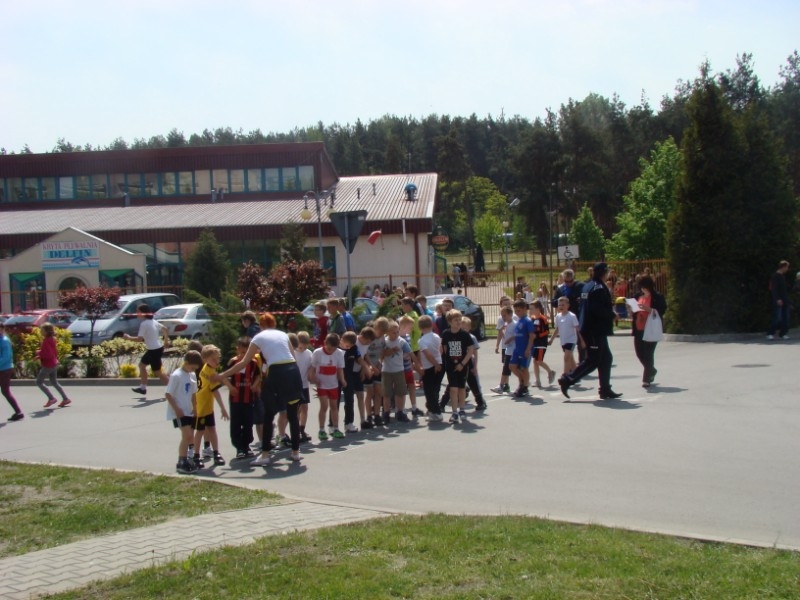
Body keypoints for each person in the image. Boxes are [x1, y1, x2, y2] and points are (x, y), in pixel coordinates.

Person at [218, 312, 304, 465]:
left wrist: (222, 375)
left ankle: (265, 454)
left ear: (261, 325)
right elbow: (293, 356)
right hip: (293, 371)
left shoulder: (258, 337)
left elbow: (244, 362)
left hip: (277, 371)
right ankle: (296, 452)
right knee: (293, 414)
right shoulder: (283, 334)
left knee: (268, 414)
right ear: (274, 324)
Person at [558, 262, 621, 400]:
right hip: (594, 329)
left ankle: (605, 389)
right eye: (607, 272)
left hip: (592, 328)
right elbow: (596, 309)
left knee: (606, 358)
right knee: (593, 360)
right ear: (604, 272)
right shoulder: (598, 288)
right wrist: (612, 314)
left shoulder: (588, 286)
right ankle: (567, 379)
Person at [191, 345, 230, 468]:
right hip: (202, 407)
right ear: (205, 359)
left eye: (218, 358)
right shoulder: (210, 372)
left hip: (208, 407)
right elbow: (215, 392)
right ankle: (196, 455)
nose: (217, 361)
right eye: (213, 359)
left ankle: (216, 453)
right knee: (200, 431)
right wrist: (223, 409)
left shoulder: (208, 368)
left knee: (212, 429)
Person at [165, 349, 203, 474]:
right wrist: (177, 409)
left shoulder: (191, 375)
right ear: (186, 363)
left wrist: (195, 408)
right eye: (192, 367)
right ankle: (181, 461)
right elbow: (168, 394)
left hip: (188, 411)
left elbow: (193, 393)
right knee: (187, 436)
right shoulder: (177, 375)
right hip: (179, 412)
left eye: (195, 368)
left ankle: (186, 459)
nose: (193, 370)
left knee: (189, 436)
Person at [227, 337, 261, 458]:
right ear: (238, 350)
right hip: (235, 399)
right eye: (242, 352)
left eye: (247, 353)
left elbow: (258, 376)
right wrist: (230, 387)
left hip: (248, 398)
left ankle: (246, 445)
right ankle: (239, 447)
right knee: (236, 423)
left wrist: (255, 385)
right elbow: (226, 376)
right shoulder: (233, 362)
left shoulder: (253, 363)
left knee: (248, 423)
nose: (244, 355)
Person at [126, 303, 170, 396]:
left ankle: (173, 388)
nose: (136, 313)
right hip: (155, 349)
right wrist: (166, 341)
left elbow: (139, 339)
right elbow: (165, 329)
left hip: (154, 350)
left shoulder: (144, 324)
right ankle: (143, 388)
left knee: (157, 371)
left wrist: (128, 337)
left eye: (138, 311)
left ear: (143, 313)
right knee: (142, 365)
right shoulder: (153, 321)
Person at [440, 309, 475, 423]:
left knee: (461, 388)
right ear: (450, 322)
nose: (459, 322)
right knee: (453, 388)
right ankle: (454, 412)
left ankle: (462, 410)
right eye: (456, 320)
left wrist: (462, 363)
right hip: (451, 366)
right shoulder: (446, 334)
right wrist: (447, 362)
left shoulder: (465, 334)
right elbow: (444, 349)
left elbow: (470, 350)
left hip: (462, 365)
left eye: (460, 319)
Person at [633, 276, 668, 388]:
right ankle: (651, 370)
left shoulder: (657, 297)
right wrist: (631, 308)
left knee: (648, 353)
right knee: (639, 353)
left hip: (651, 328)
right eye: (641, 287)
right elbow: (634, 311)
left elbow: (662, 310)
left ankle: (646, 379)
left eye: (645, 287)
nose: (643, 289)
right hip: (638, 328)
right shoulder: (637, 296)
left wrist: (648, 309)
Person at [310, 333, 346, 440]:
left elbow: (340, 369)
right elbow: (312, 368)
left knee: (334, 407)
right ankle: (321, 430)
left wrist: (342, 380)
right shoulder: (318, 352)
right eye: (329, 348)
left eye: (333, 349)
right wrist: (313, 379)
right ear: (325, 343)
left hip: (333, 384)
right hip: (322, 385)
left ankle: (336, 428)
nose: (331, 351)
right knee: (324, 406)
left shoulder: (339, 353)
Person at [381, 320, 413, 423]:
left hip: (399, 370)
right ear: (387, 332)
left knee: (401, 392)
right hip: (387, 370)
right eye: (393, 332)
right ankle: (386, 413)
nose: (396, 334)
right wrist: (390, 351)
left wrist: (417, 364)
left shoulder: (401, 341)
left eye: (397, 332)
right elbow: (381, 355)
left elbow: (410, 352)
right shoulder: (384, 342)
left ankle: (400, 411)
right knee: (386, 393)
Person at [36, 322, 72, 408]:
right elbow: (54, 352)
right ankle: (65, 398)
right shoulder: (52, 339)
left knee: (39, 382)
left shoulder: (46, 341)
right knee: (54, 382)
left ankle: (51, 398)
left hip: (48, 365)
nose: (40, 332)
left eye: (42, 330)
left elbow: (48, 354)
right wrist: (40, 355)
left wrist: (39, 353)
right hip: (54, 363)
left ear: (47, 331)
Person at [340, 331, 369, 432]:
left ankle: (348, 423)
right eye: (347, 345)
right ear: (341, 340)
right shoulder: (337, 349)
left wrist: (366, 368)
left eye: (350, 346)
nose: (348, 348)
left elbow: (359, 359)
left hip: (348, 377)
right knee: (335, 402)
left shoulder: (354, 348)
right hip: (336, 377)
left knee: (349, 400)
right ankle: (333, 426)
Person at [417, 315, 444, 421]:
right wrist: (438, 362)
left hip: (429, 367)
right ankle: (432, 410)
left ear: (420, 327)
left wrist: (435, 364)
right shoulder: (437, 336)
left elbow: (428, 355)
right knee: (435, 388)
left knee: (429, 391)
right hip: (439, 363)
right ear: (431, 325)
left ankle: (436, 412)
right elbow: (440, 350)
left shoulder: (422, 341)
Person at [549, 296, 582, 376]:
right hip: (563, 340)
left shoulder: (572, 316)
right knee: (570, 359)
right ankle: (576, 374)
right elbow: (557, 329)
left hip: (571, 340)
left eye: (563, 305)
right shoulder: (558, 316)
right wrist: (551, 339)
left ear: (568, 305)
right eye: (559, 305)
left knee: (566, 358)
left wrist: (582, 341)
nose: (561, 306)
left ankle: (565, 376)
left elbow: (578, 329)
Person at [509, 299, 535, 398]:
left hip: (525, 348)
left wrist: (528, 349)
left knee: (524, 368)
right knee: (512, 366)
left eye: (518, 310)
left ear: (525, 309)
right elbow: (518, 334)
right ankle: (523, 381)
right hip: (517, 348)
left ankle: (524, 386)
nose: (516, 312)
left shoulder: (528, 321)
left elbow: (531, 336)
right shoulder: (518, 320)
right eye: (515, 310)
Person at [530, 300, 556, 388]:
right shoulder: (532, 319)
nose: (531, 310)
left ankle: (550, 372)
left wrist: (537, 335)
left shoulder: (543, 319)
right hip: (535, 343)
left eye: (532, 309)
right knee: (535, 361)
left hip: (541, 343)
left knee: (539, 361)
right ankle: (538, 381)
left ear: (538, 309)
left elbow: (547, 331)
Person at [1, 323, 24, 422]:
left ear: (2, 329)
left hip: (4, 369)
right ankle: (18, 412)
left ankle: (18, 412)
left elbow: (6, 357)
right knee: (5, 391)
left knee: (5, 391)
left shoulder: (4, 341)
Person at [491, 304, 516, 394]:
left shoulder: (514, 324)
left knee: (512, 368)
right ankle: (503, 386)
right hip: (508, 350)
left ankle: (524, 383)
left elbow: (518, 335)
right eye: (502, 316)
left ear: (510, 314)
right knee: (506, 368)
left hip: (513, 350)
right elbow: (502, 334)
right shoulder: (505, 324)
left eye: (504, 315)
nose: (503, 317)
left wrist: (510, 339)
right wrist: (497, 344)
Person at [767, 260, 791, 340]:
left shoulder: (782, 276)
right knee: (777, 317)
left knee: (785, 317)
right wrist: (777, 299)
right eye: (787, 267)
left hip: (785, 299)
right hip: (778, 300)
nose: (787, 269)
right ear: (783, 267)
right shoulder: (775, 276)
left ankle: (783, 333)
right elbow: (774, 289)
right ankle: (770, 333)